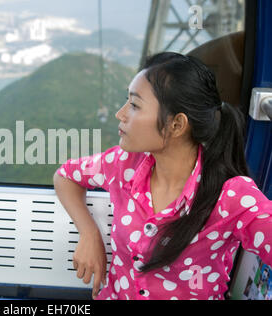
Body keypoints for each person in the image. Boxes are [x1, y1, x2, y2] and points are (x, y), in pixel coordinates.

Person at [53, 52, 272, 300]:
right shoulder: (123, 164)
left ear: (177, 125)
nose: (121, 114)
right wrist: (89, 234)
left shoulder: (231, 196)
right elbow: (66, 176)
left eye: (134, 105)